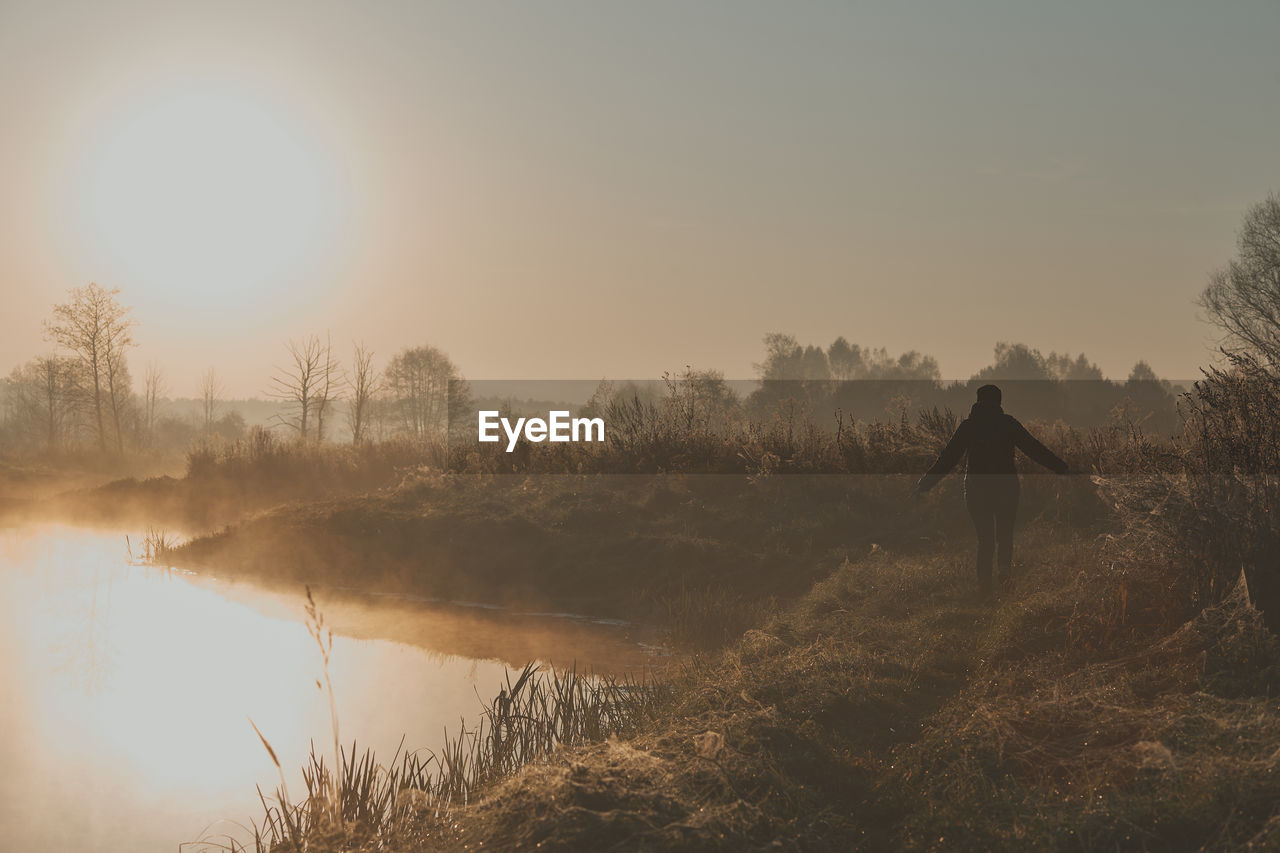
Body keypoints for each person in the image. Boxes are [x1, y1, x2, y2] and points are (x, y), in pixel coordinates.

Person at [914, 384, 1068, 597]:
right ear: (999, 402)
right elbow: (1035, 450)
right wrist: (1064, 469)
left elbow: (948, 459)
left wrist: (925, 484)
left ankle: (985, 590)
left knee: (985, 540)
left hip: (977, 489)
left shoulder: (969, 426)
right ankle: (1004, 579)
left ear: (978, 401)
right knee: (1004, 536)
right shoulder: (1008, 424)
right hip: (1006, 488)